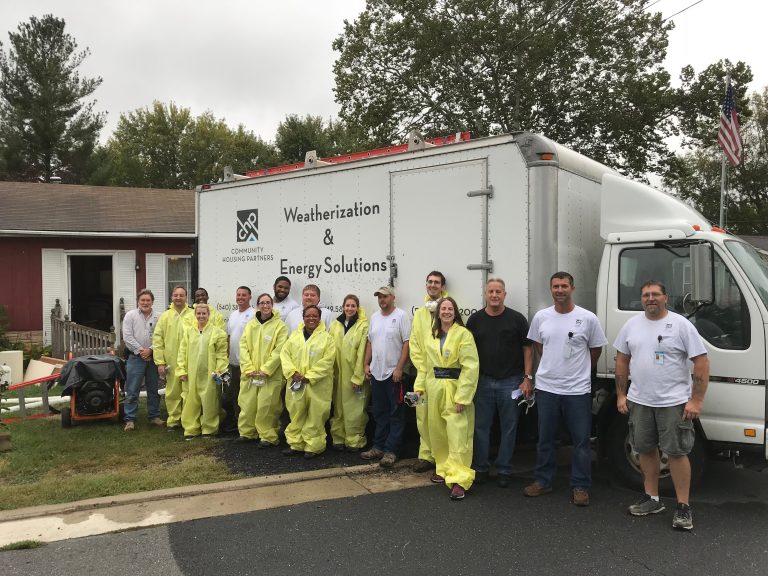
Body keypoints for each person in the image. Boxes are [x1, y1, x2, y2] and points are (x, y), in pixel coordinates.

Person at [614, 280, 709, 531]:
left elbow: (701, 361)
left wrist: (696, 400)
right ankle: (652, 499)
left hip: (673, 402)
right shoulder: (631, 325)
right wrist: (621, 395)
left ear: (665, 297)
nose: (650, 298)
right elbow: (622, 360)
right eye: (646, 294)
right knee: (645, 449)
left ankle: (683, 507)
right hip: (640, 401)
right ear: (641, 299)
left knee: (676, 453)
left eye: (655, 294)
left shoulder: (681, 325)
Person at [524, 272, 608, 506]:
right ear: (550, 289)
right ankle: (543, 481)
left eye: (564, 286)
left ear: (572, 288)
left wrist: (579, 370)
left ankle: (580, 486)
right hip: (548, 388)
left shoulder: (588, 318)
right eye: (555, 286)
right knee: (545, 439)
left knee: (581, 441)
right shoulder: (541, 317)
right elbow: (539, 346)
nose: (559, 290)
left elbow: (595, 350)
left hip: (577, 390)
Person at [467, 278, 533, 487]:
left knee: (509, 428)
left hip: (511, 382)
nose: (494, 295)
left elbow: (527, 349)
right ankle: (481, 468)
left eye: (498, 292)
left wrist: (527, 378)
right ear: (485, 294)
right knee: (480, 427)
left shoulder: (517, 319)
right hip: (483, 381)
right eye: (491, 291)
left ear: (504, 295)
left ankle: (504, 469)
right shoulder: (475, 320)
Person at [414, 297, 479, 500]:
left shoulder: (463, 334)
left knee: (457, 434)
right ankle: (443, 468)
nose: (447, 312)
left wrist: (463, 397)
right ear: (438, 313)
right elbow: (425, 366)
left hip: (454, 388)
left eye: (450, 309)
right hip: (434, 388)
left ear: (455, 312)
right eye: (443, 309)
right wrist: (419, 388)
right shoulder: (432, 335)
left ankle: (460, 479)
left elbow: (470, 367)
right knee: (438, 432)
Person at [361, 286, 411, 468]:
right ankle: (379, 447)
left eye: (385, 296)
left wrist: (399, 368)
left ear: (393, 297)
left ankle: (392, 450)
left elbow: (407, 344)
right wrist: (366, 364)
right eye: (379, 297)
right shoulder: (375, 317)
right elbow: (370, 342)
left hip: (393, 375)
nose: (382, 300)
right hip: (377, 373)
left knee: (396, 413)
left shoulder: (402, 316)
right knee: (379, 412)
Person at [280, 305, 336, 458]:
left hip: (317, 386)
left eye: (315, 316)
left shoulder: (327, 338)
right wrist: (292, 372)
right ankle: (296, 444)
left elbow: (327, 361)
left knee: (315, 415)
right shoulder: (294, 336)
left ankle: (313, 446)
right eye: (308, 316)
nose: (311, 318)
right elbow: (285, 355)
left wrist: (309, 376)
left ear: (320, 318)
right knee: (296, 414)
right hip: (296, 383)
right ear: (303, 317)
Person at [408, 271, 447, 473]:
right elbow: (414, 343)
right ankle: (425, 455)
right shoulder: (420, 313)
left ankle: (442, 457)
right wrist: (422, 368)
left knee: (440, 417)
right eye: (430, 282)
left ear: (442, 287)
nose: (432, 285)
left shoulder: (447, 309)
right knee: (421, 415)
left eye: (436, 282)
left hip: (441, 376)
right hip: (422, 375)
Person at [237, 293, 288, 446]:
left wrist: (266, 369)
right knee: (247, 403)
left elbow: (280, 350)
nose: (265, 306)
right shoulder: (250, 325)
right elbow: (243, 347)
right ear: (258, 305)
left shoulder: (280, 326)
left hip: (270, 375)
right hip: (251, 374)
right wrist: (248, 368)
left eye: (268, 303)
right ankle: (247, 432)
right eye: (262, 303)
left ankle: (268, 436)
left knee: (268, 405)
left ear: (272, 305)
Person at [177, 303, 229, 439]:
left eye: (204, 313)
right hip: (191, 374)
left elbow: (222, 354)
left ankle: (209, 429)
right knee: (190, 401)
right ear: (195, 315)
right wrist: (181, 370)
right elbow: (182, 352)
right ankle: (191, 429)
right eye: (198, 313)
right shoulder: (189, 332)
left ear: (208, 315)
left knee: (210, 402)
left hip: (210, 374)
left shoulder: (218, 333)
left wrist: (219, 370)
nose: (201, 316)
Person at [329, 294, 370, 452]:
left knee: (355, 409)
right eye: (347, 305)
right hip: (338, 374)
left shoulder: (363, 325)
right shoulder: (336, 324)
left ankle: (354, 439)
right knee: (338, 407)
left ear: (357, 308)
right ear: (343, 307)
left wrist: (358, 377)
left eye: (353, 306)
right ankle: (338, 437)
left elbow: (362, 353)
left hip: (354, 375)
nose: (350, 308)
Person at [152, 286, 195, 431]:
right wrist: (160, 362)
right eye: (175, 295)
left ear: (186, 297)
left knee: (189, 391)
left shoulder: (193, 315)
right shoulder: (165, 316)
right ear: (171, 297)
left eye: (181, 295)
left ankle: (188, 419)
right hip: (171, 361)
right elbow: (158, 340)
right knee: (172, 392)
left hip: (190, 360)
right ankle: (174, 419)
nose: (178, 298)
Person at [122, 289, 163, 431]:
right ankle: (130, 419)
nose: (145, 303)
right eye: (142, 300)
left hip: (153, 357)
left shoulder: (159, 317)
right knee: (132, 390)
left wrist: (150, 350)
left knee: (153, 389)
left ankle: (154, 416)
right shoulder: (130, 316)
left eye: (148, 300)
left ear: (152, 302)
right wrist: (141, 351)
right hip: (135, 358)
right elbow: (127, 337)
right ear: (138, 301)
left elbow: (161, 337)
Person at [221, 286, 255, 434]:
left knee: (244, 397)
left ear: (250, 297)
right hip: (233, 362)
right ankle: (236, 421)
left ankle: (246, 424)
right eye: (238, 295)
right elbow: (229, 337)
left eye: (244, 295)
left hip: (246, 364)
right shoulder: (233, 314)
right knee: (232, 394)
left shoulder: (254, 314)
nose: (240, 297)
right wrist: (227, 356)